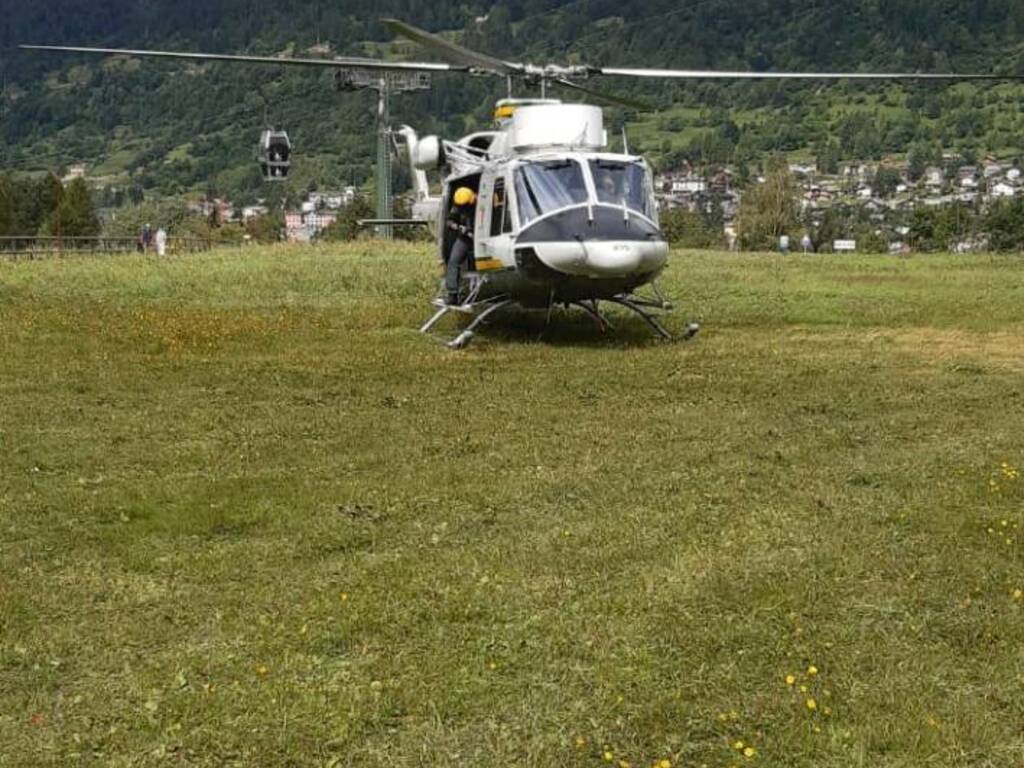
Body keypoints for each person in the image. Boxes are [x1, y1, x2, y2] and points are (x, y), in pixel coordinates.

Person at [444, 187, 477, 306]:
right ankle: (452, 293)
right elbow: (449, 220)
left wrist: (472, 231)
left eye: (463, 206)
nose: (461, 209)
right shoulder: (458, 205)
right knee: (453, 261)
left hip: (480, 238)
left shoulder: (480, 204)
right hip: (465, 238)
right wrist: (456, 226)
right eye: (459, 206)